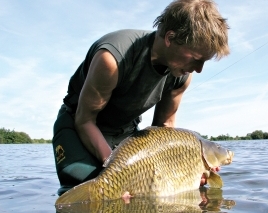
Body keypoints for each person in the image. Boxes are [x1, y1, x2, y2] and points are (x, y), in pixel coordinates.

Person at [52, 0, 230, 195]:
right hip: (79, 125)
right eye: (196, 58)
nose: (199, 69)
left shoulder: (182, 76)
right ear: (170, 37)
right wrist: (118, 173)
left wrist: (186, 172)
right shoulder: (112, 58)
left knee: (149, 191)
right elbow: (84, 120)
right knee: (96, 189)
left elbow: (164, 130)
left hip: (127, 136)